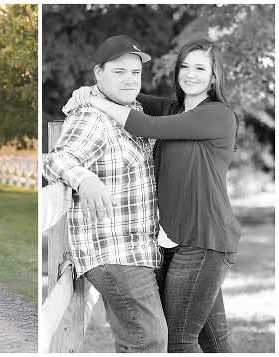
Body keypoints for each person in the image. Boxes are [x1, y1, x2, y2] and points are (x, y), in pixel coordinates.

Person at [65, 38, 241, 353]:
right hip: (178, 242)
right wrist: (88, 91)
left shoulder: (218, 115)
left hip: (205, 241)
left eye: (200, 68)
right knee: (213, 342)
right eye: (184, 66)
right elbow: (123, 91)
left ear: (215, 76)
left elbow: (144, 125)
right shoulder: (173, 108)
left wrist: (94, 101)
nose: (190, 74)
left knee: (179, 341)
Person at [42, 35, 167, 352]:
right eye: (119, 71)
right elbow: (57, 159)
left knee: (136, 342)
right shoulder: (92, 117)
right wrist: (85, 179)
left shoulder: (132, 111)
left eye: (135, 72)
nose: (130, 79)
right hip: (114, 252)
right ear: (99, 73)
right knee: (150, 340)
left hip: (136, 250)